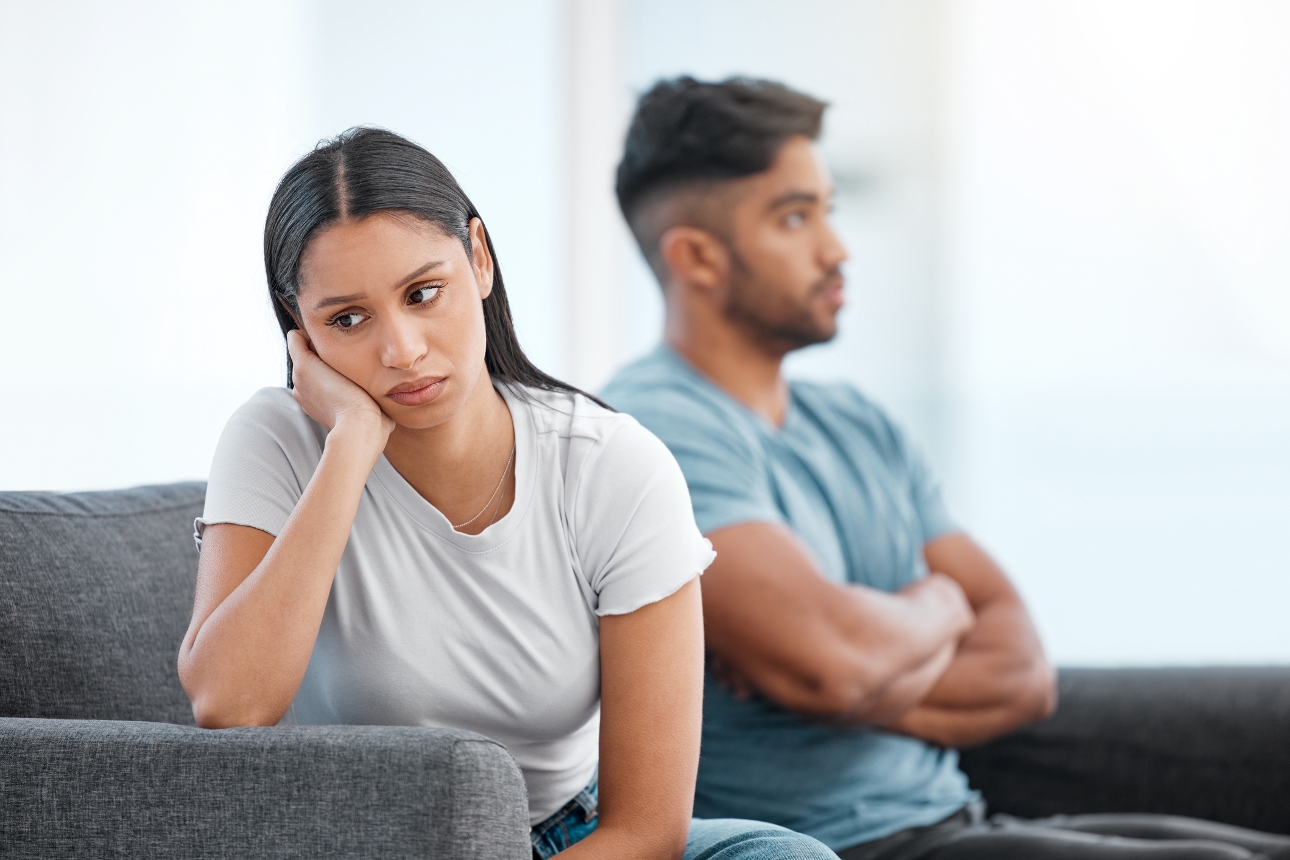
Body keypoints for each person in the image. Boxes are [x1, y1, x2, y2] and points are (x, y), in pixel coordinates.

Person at [601, 77, 1290, 860]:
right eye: (795, 217)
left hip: (956, 821)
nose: (837, 248)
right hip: (837, 846)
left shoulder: (859, 422)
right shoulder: (651, 432)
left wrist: (854, 673)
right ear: (696, 256)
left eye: (829, 209)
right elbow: (833, 668)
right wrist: (935, 610)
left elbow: (1022, 671)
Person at [177, 127, 835, 860]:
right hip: (355, 841)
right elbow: (229, 706)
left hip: (568, 840)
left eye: (423, 294)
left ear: (479, 259)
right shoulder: (274, 439)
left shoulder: (610, 464)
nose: (402, 350)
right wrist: (351, 448)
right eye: (348, 319)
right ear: (300, 324)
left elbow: (646, 829)